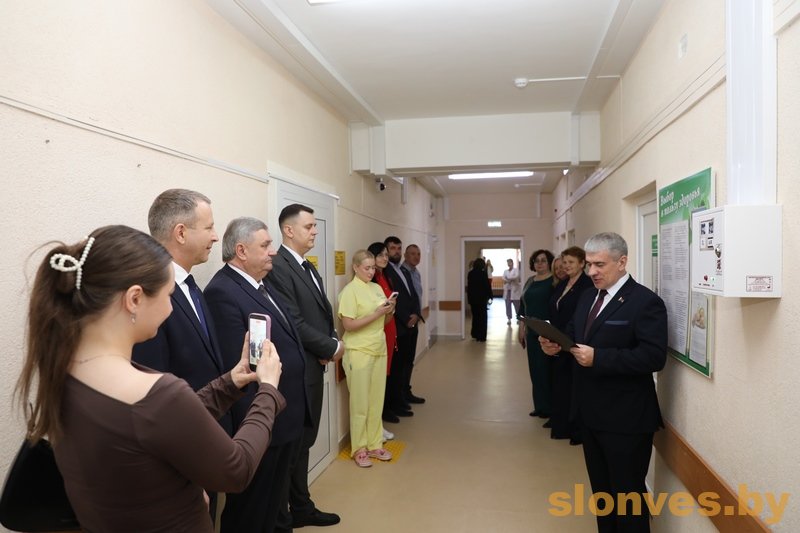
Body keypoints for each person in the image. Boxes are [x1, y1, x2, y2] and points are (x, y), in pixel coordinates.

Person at [17, 225, 284, 532]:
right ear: (134, 299)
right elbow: (236, 471)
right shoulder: (160, 394)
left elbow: (160, 422)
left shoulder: (65, 371)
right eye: (169, 295)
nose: (171, 308)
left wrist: (230, 382)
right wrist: (267, 390)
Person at [539, 232, 667, 533]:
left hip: (626, 419)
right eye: (589, 265)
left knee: (627, 499)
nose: (592, 271)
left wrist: (599, 358)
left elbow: (653, 357)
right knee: (602, 496)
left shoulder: (645, 302)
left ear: (622, 262)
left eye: (600, 264)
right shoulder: (588, 297)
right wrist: (556, 346)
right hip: (590, 414)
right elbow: (575, 337)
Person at [204, 217, 311, 533]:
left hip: (281, 417)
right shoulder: (222, 292)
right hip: (260, 426)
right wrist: (257, 428)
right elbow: (238, 371)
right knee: (251, 513)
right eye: (265, 246)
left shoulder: (262, 284)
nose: (272, 252)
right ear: (241, 251)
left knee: (274, 508)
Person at [132, 188, 229, 518]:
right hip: (182, 458)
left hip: (204, 441)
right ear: (181, 232)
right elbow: (152, 393)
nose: (215, 236)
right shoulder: (150, 296)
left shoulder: (190, 285)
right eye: (209, 227)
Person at [267, 204, 341, 529]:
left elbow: (321, 314)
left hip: (314, 365)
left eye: (315, 226)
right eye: (309, 226)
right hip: (298, 371)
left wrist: (331, 339)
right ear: (289, 230)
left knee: (305, 441)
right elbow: (292, 321)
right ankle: (284, 514)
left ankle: (301, 506)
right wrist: (331, 347)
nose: (315, 231)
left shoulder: (307, 266)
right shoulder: (278, 267)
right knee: (293, 445)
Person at [338, 250, 397, 467]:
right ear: (355, 268)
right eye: (367, 268)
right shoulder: (349, 292)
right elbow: (349, 325)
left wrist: (389, 310)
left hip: (378, 349)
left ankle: (374, 444)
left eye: (373, 268)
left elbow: (384, 321)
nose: (371, 272)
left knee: (375, 401)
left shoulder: (376, 288)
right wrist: (377, 313)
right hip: (358, 352)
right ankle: (359, 448)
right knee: (360, 403)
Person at [547, 246, 593, 445]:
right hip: (558, 341)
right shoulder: (563, 283)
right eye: (564, 262)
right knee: (561, 385)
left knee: (574, 386)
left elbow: (582, 315)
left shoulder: (587, 285)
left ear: (582, 263)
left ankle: (576, 429)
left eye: (571, 262)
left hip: (575, 342)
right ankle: (561, 424)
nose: (566, 266)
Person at [382, 236, 421, 418]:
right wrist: (406, 318)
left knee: (407, 363)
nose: (396, 252)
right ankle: (394, 402)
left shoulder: (403, 271)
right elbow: (392, 299)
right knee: (397, 367)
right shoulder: (386, 271)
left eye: (398, 248)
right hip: (399, 326)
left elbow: (413, 295)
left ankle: (402, 396)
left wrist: (416, 314)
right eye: (393, 248)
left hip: (411, 324)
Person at [517, 249, 555, 418]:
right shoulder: (530, 281)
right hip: (531, 332)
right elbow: (523, 306)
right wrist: (521, 328)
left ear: (549, 263)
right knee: (535, 370)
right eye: (536, 260)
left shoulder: (554, 281)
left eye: (543, 260)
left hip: (547, 332)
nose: (539, 263)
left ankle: (549, 407)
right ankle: (539, 405)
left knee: (546, 370)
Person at [367, 242, 399, 437]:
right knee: (374, 384)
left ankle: (378, 425)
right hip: (378, 332)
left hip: (388, 330)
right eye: (381, 255)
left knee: (382, 381)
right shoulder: (371, 282)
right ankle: (375, 427)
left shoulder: (385, 276)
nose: (385, 258)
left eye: (386, 255)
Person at [400, 244, 426, 404]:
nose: (416, 257)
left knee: (410, 359)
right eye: (412, 254)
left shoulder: (416, 273)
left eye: (418, 254)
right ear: (405, 255)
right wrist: (409, 317)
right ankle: (400, 394)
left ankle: (406, 390)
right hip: (405, 322)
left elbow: (417, 297)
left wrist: (417, 314)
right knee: (402, 361)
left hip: (415, 320)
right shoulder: (401, 272)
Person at [466, 258, 493, 342]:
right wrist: (490, 296)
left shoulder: (470, 274)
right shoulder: (483, 274)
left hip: (473, 299)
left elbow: (469, 288)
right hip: (482, 299)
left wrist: (469, 299)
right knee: (482, 317)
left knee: (475, 317)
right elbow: (487, 286)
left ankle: (475, 334)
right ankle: (481, 336)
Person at [502, 258, 522, 325]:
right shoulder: (505, 271)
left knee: (517, 306)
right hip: (508, 291)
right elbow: (503, 278)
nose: (509, 264)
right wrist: (509, 280)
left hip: (515, 290)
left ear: (512, 263)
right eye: (508, 263)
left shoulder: (516, 270)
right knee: (508, 306)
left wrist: (508, 279)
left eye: (510, 262)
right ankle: (509, 319)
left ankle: (518, 318)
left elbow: (516, 276)